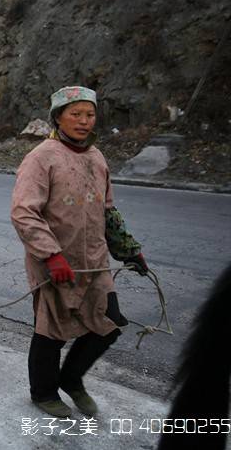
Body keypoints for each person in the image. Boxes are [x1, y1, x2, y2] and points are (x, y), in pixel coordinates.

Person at [10, 86, 150, 418]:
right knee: (52, 330)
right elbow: (23, 212)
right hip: (54, 261)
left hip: (94, 261)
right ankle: (43, 393)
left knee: (110, 323)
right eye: (75, 114)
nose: (84, 121)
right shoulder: (41, 158)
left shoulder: (96, 157)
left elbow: (108, 212)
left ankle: (71, 380)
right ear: (57, 117)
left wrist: (129, 251)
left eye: (89, 114)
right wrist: (51, 255)